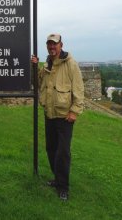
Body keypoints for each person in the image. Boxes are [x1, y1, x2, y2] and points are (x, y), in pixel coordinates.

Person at [31, 33, 84, 201]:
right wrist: (34, 67)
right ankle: (57, 178)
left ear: (61, 45)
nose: (51, 47)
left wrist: (74, 111)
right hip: (50, 113)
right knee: (51, 149)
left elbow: (79, 89)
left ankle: (63, 187)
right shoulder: (47, 63)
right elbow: (38, 83)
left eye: (54, 44)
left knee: (62, 152)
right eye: (49, 44)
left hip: (64, 116)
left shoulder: (70, 64)